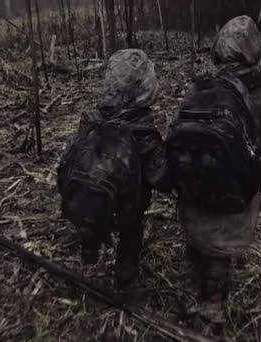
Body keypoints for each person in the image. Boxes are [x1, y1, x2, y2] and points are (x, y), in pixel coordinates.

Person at [166, 15, 261, 333]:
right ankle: (212, 310)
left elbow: (178, 131)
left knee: (201, 237)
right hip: (235, 188)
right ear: (256, 51)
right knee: (220, 250)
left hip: (193, 183)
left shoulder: (200, 85)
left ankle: (200, 277)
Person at [57, 49, 169, 288]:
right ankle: (125, 272)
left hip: (86, 198)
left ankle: (89, 249)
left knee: (92, 223)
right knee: (132, 231)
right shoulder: (142, 130)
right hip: (127, 206)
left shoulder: (91, 118)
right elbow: (159, 175)